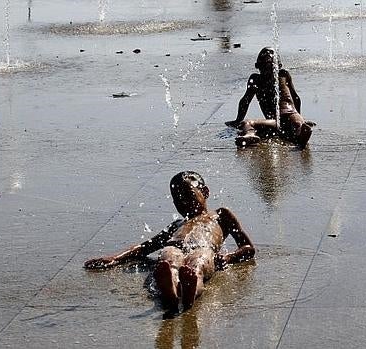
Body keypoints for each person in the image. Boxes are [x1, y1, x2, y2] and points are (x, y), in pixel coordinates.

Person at [84, 171, 255, 314]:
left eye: (188, 195)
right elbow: (144, 247)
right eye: (178, 199)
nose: (183, 202)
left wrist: (228, 258)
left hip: (204, 248)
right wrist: (115, 258)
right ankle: (170, 291)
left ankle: (190, 292)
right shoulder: (176, 225)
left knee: (198, 265)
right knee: (169, 260)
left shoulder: (221, 215)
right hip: (175, 246)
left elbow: (247, 247)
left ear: (205, 191)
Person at [225, 47, 314, 148]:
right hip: (274, 121)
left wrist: (300, 116)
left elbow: (295, 97)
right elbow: (245, 101)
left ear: (278, 66)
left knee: (298, 122)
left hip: (290, 114)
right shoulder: (255, 80)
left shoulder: (283, 75)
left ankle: (302, 133)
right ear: (257, 66)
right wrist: (238, 120)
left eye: (271, 67)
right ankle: (250, 134)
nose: (268, 71)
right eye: (264, 67)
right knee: (247, 123)